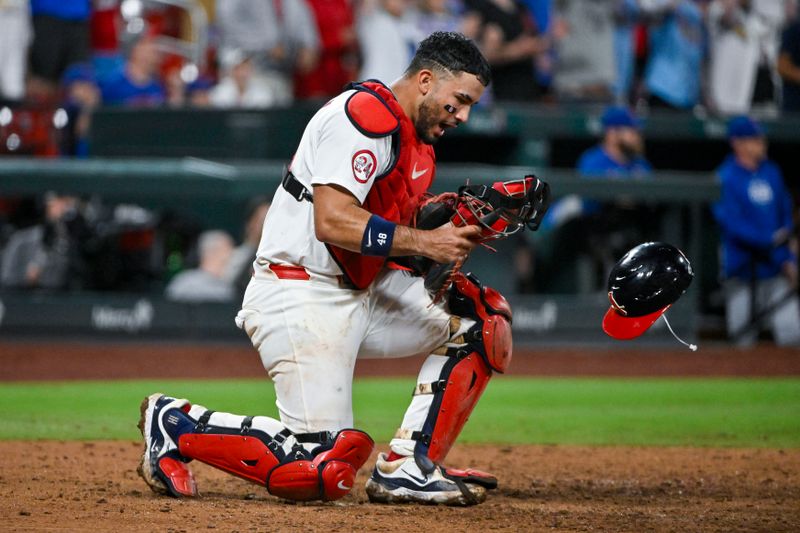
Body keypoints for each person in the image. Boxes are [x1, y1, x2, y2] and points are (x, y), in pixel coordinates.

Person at [137, 31, 525, 507]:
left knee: (480, 320)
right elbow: (334, 221)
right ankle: (175, 423)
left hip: (363, 291)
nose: (463, 115)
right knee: (320, 471)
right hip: (300, 293)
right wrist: (428, 240)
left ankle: (409, 466)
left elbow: (387, 225)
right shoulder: (362, 119)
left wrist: (453, 219)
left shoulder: (417, 138)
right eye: (459, 100)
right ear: (426, 80)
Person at [713, 116, 800, 346]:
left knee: (792, 335)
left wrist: (788, 257)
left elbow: (785, 215)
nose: (762, 143)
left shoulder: (771, 172)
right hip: (742, 268)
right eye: (754, 138)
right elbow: (731, 224)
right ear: (737, 143)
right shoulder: (725, 176)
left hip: (776, 267)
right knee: (742, 340)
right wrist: (771, 240)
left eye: (761, 137)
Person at [164, 230, 236, 303]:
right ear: (215, 251)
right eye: (229, 249)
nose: (233, 254)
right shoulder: (185, 283)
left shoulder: (227, 287)